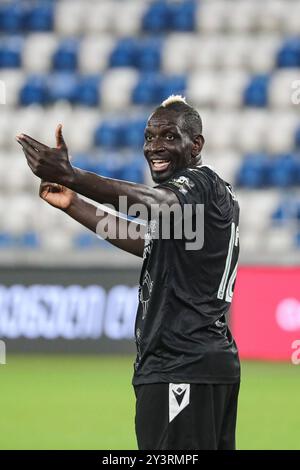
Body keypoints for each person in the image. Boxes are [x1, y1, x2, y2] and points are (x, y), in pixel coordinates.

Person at [17, 95, 241, 450]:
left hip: (179, 365)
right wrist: (74, 203)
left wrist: (72, 176)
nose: (155, 146)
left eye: (169, 136)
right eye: (149, 137)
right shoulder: (212, 199)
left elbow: (154, 204)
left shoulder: (198, 184)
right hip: (209, 365)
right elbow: (145, 240)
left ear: (196, 144)